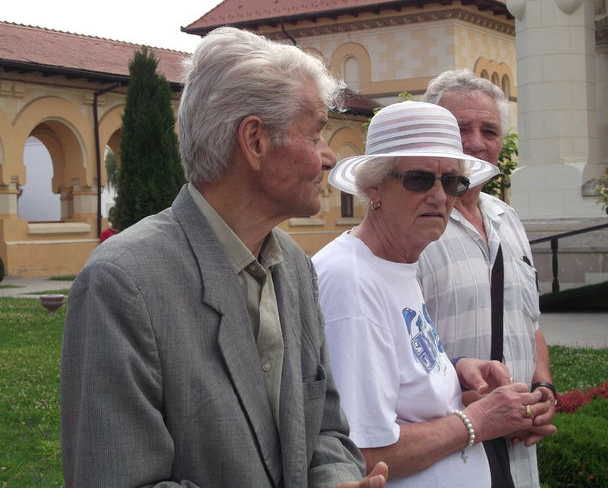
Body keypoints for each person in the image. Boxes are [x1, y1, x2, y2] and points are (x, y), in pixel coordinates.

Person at [61, 27, 387, 488]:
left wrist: (334, 478)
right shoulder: (123, 282)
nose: (329, 157)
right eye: (315, 135)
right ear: (254, 140)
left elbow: (326, 428)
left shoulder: (293, 265)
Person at [313, 101, 556, 487]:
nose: (441, 196)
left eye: (452, 181)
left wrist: (457, 372)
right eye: (419, 179)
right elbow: (360, 453)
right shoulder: (352, 280)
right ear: (373, 186)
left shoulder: (395, 262)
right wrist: (477, 421)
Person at [418, 70, 557, 487]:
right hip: (447, 454)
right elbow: (394, 342)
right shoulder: (412, 230)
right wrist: (482, 409)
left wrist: (543, 388)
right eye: (461, 128)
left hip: (518, 455)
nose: (477, 142)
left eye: (489, 130)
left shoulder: (507, 218)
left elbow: (529, 322)